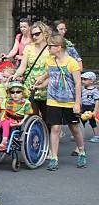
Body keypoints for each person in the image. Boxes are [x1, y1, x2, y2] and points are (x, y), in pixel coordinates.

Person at [34, 34, 86, 170]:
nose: (48, 48)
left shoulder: (71, 62)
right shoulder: (50, 61)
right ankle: (54, 157)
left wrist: (77, 103)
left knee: (74, 128)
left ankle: (81, 151)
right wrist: (40, 83)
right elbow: (49, 77)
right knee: (55, 128)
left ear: (59, 47)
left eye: (50, 46)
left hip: (69, 101)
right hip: (53, 100)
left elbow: (78, 83)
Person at [12, 21, 51, 119]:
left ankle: (48, 132)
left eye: (37, 34)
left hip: (46, 88)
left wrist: (44, 78)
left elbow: (53, 69)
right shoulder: (29, 48)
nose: (34, 37)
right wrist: (15, 75)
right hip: (30, 88)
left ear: (44, 33)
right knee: (32, 118)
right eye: (32, 34)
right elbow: (23, 67)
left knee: (47, 120)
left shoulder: (50, 48)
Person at [0, 81, 33, 152]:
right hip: (5, 119)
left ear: (22, 93)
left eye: (18, 92)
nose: (15, 94)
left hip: (17, 120)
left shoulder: (26, 102)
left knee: (5, 122)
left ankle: (4, 142)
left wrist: (22, 122)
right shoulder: (6, 101)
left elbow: (28, 113)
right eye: (12, 92)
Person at [80, 72, 99, 143]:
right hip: (83, 107)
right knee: (81, 122)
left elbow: (97, 101)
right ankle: (79, 135)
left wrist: (95, 111)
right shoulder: (83, 89)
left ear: (91, 81)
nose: (83, 81)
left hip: (91, 108)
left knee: (92, 122)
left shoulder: (95, 90)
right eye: (82, 79)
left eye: (85, 79)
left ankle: (96, 136)